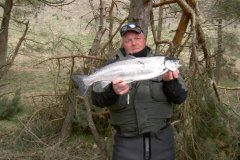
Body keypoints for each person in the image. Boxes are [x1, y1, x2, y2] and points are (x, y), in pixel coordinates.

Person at [91, 22, 187, 160]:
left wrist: (169, 82)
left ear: (145, 40)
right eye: (128, 40)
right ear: (123, 43)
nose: (133, 43)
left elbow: (180, 97)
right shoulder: (112, 66)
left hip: (162, 141)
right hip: (125, 143)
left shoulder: (160, 62)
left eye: (137, 38)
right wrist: (113, 91)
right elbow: (96, 100)